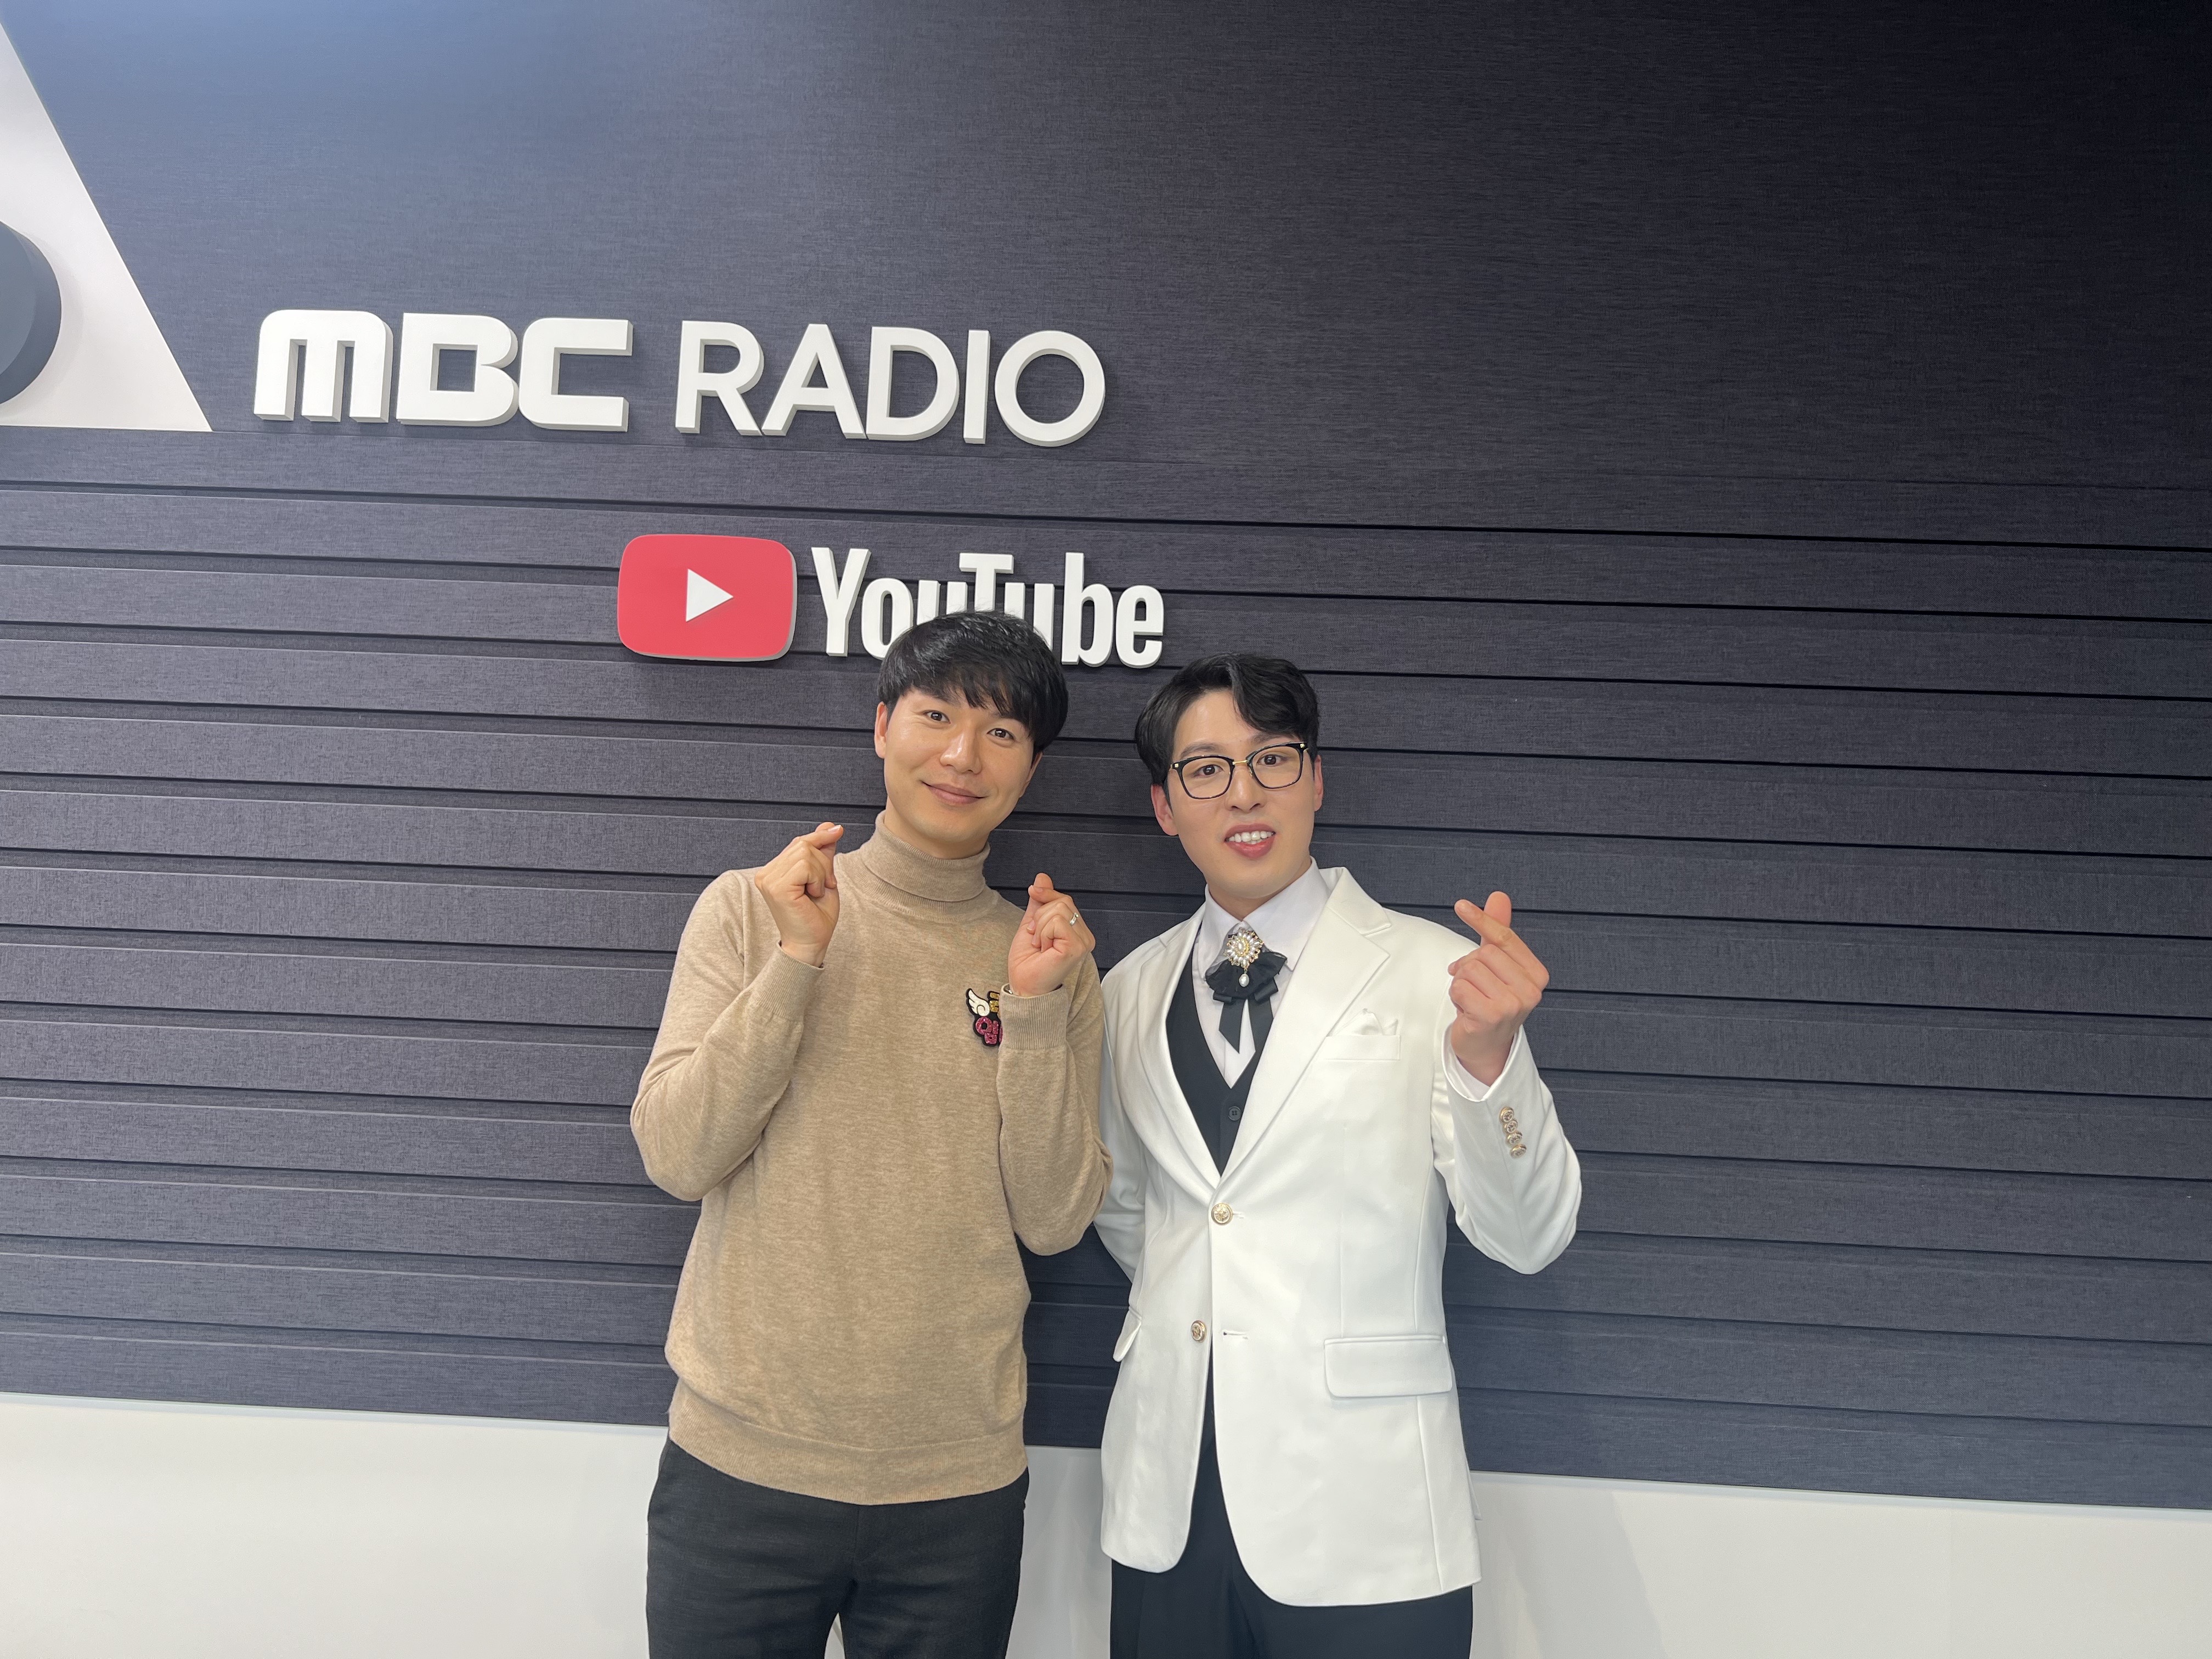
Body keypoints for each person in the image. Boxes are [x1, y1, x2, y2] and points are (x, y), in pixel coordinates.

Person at [630, 610, 1111, 1659]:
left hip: (957, 1490)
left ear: (1031, 767)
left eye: (1001, 732)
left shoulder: (1050, 958)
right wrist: (796, 962)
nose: (962, 755)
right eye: (937, 717)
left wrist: (1031, 1011)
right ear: (883, 725)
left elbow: (1056, 1219)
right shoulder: (755, 908)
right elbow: (677, 1154)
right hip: (739, 1471)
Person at [1093, 653, 1581, 1658]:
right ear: (1165, 807)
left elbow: (1530, 1236)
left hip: (1366, 1506)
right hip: (1169, 1494)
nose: (1245, 794)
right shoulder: (1127, 991)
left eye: (1273, 758)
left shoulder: (1438, 974)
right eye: (1207, 770)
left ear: (1316, 779)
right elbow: (1127, 1208)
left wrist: (1490, 1067)